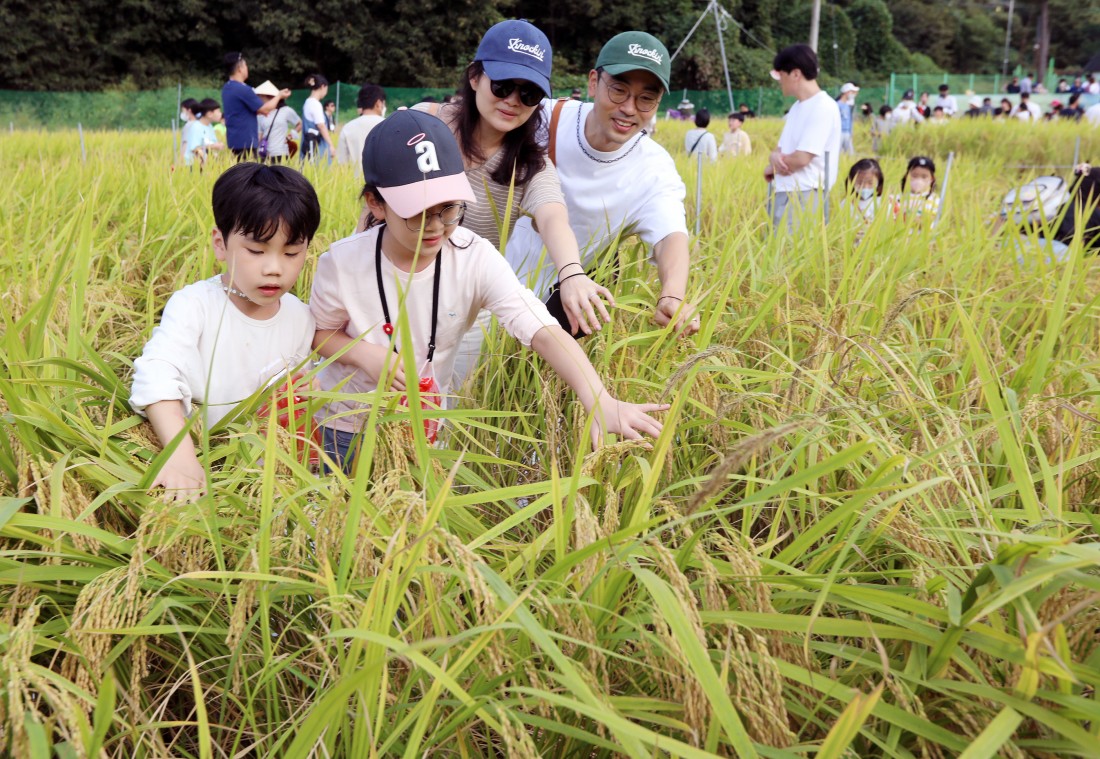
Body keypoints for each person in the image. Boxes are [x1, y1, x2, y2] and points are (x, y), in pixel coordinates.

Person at [309, 110, 669, 471]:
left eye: (448, 208)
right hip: (345, 424)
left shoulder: (473, 257)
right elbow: (320, 334)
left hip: (422, 423)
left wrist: (597, 396)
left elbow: (540, 328)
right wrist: (367, 356)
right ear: (376, 203)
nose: (436, 226)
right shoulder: (342, 263)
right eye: (418, 213)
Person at [130, 163, 320, 500]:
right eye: (256, 251)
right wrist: (181, 456)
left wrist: (311, 391)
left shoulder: (301, 317)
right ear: (220, 244)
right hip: (206, 466)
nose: (274, 268)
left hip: (268, 482)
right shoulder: (194, 306)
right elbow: (155, 375)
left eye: (291, 253)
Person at [503, 30, 697, 336]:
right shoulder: (544, 117)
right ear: (594, 82)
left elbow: (670, 235)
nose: (629, 108)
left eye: (646, 99)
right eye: (619, 90)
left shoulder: (653, 168)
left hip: (556, 308)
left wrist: (672, 294)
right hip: (491, 281)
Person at [764, 44, 842, 231]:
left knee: (791, 247)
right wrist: (773, 159)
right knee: (774, 246)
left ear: (795, 74)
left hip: (804, 193)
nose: (780, 81)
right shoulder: (797, 107)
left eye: (781, 75)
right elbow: (780, 150)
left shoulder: (823, 107)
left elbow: (801, 158)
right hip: (785, 190)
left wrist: (773, 165)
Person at [221, 52, 291, 160]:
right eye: (245, 65)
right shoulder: (243, 89)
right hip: (246, 142)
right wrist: (279, 95)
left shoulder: (227, 88)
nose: (247, 68)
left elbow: (245, 110)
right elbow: (265, 109)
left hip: (234, 140)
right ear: (240, 69)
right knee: (249, 170)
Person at [336, 83, 386, 170]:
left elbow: (341, 163)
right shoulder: (387, 125)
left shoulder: (347, 128)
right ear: (378, 103)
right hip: (383, 178)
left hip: (353, 178)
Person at [255, 81, 301, 163]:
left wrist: (289, 137)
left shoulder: (286, 111)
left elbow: (299, 124)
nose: (258, 98)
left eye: (260, 96)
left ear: (268, 96)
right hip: (265, 154)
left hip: (281, 153)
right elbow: (260, 136)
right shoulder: (261, 114)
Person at [890, 156, 939, 225]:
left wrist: (906, 218)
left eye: (924, 177)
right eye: (914, 176)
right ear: (906, 176)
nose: (919, 180)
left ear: (932, 179)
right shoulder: (897, 198)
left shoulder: (935, 200)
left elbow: (930, 220)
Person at [181, 98, 225, 169]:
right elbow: (195, 148)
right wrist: (214, 146)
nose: (220, 114)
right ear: (210, 114)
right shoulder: (196, 127)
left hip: (205, 165)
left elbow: (212, 143)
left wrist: (218, 145)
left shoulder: (210, 126)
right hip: (193, 166)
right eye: (218, 112)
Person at [841, 157, 884, 227]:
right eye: (859, 183)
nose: (865, 187)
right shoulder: (846, 204)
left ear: (879, 182)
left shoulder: (882, 204)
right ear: (851, 182)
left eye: (870, 183)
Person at [301, 74, 334, 162]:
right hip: (316, 146)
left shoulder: (307, 102)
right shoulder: (315, 104)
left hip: (308, 143)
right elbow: (321, 126)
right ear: (323, 87)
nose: (326, 93)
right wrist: (331, 145)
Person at [836, 82, 859, 155]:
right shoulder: (837, 105)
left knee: (850, 154)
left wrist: (850, 132)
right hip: (839, 132)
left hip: (847, 133)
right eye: (852, 92)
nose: (854, 94)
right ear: (847, 92)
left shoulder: (847, 105)